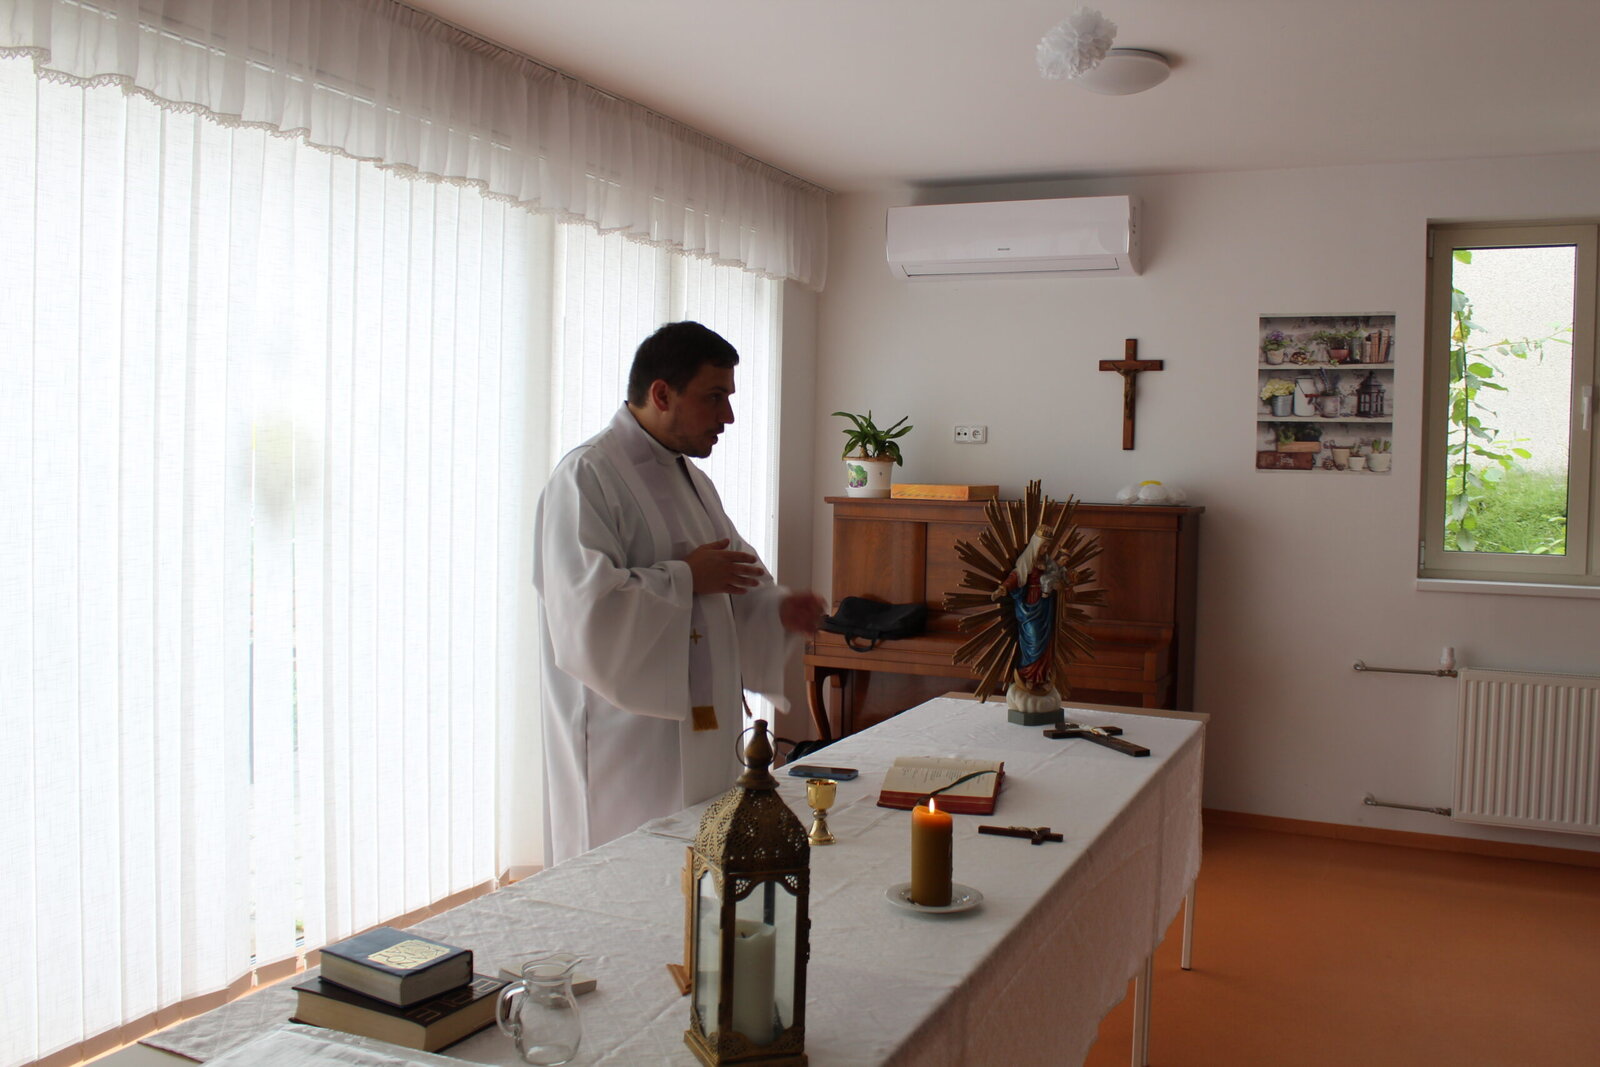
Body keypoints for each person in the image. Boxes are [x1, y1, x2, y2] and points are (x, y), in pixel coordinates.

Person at [533, 321, 826, 866]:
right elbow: (584, 610)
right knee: (625, 874)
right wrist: (687, 577)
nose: (728, 416)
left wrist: (777, 609)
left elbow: (732, 578)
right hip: (627, 740)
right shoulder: (587, 476)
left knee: (696, 869)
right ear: (662, 393)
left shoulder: (691, 480)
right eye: (714, 397)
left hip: (701, 726)